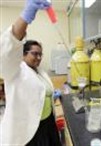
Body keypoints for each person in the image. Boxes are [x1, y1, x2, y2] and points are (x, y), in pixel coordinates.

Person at [0, 0, 62, 145]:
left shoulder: (39, 71)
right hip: (30, 131)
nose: (39, 58)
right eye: (35, 54)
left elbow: (42, 91)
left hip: (48, 123)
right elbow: (6, 53)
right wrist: (25, 17)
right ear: (23, 54)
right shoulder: (15, 70)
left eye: (41, 54)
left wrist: (53, 93)